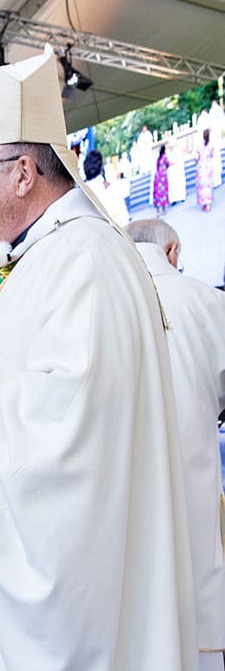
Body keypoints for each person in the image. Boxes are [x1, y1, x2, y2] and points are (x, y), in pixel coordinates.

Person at [0, 45, 196, 671]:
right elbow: (23, 390)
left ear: (23, 173)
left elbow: (66, 437)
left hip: (76, 615)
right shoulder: (45, 259)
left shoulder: (84, 260)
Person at [127, 219, 225, 671]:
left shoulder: (106, 298)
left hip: (124, 497)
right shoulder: (209, 301)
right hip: (193, 489)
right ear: (173, 252)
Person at [196, 128, 216, 212]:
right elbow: (212, 155)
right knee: (208, 186)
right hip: (208, 166)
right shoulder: (211, 146)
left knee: (202, 186)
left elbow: (197, 157)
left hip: (201, 167)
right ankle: (208, 203)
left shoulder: (200, 146)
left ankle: (204, 203)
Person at [154, 143, 170, 216]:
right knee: (163, 193)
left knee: (158, 194)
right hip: (163, 177)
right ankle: (163, 210)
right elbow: (168, 164)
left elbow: (157, 167)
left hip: (157, 177)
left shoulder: (158, 158)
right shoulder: (164, 157)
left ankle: (158, 211)